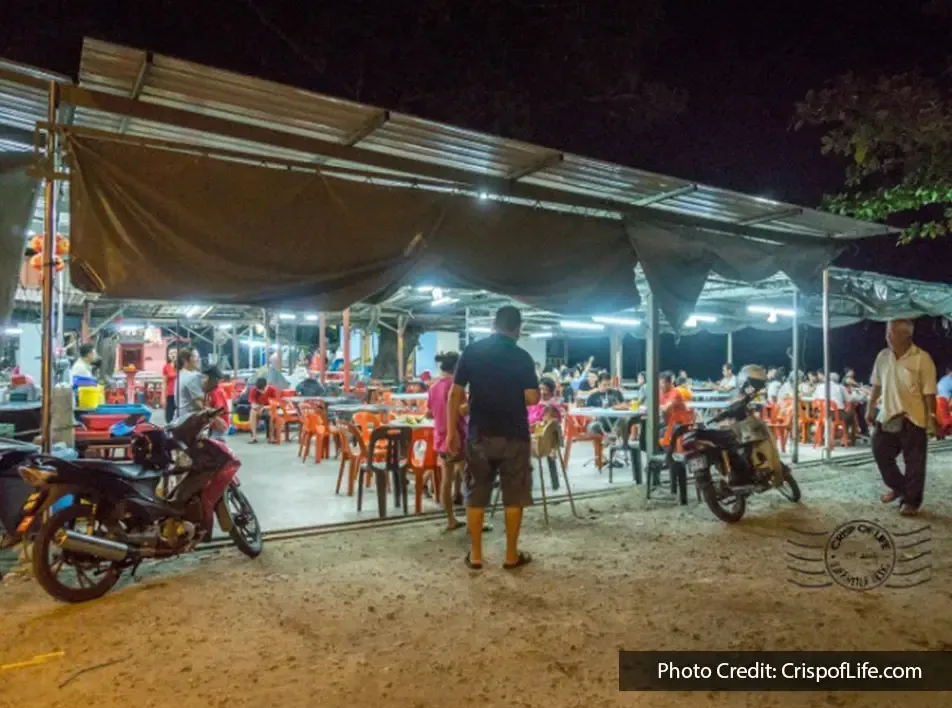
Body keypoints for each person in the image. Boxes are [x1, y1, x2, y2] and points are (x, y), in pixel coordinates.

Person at [447, 306, 539, 571]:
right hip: (515, 436)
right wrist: (510, 392)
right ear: (518, 329)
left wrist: (452, 432)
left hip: (479, 435)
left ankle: (475, 556)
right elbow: (533, 397)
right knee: (514, 495)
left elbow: (454, 395)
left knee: (476, 493)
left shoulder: (472, 352)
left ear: (492, 324)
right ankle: (511, 556)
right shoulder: (522, 357)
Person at [868, 319, 937, 517]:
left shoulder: (922, 358)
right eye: (888, 332)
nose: (888, 337)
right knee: (880, 452)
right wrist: (870, 408)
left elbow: (929, 392)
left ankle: (911, 502)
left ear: (906, 335)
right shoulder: (883, 356)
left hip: (913, 417)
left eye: (893, 332)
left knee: (914, 462)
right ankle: (899, 487)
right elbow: (876, 384)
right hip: (888, 415)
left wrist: (931, 417)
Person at [426, 352, 467, 532]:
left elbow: (429, 413)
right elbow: (462, 411)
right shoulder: (455, 387)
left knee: (446, 480)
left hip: (440, 438)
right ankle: (474, 522)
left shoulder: (434, 387)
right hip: (457, 437)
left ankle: (451, 519)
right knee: (469, 480)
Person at [585, 372, 626, 437]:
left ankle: (624, 444)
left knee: (624, 421)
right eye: (604, 385)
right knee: (592, 426)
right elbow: (587, 411)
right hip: (600, 421)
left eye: (609, 384)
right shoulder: (592, 396)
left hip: (616, 420)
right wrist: (593, 417)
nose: (607, 387)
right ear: (598, 383)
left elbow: (624, 405)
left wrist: (618, 406)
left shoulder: (616, 393)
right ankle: (604, 442)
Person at [174, 347, 205, 421]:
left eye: (198, 357)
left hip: (180, 418)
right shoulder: (192, 376)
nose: (198, 360)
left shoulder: (181, 373)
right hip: (190, 420)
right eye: (195, 357)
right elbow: (200, 402)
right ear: (185, 360)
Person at [247, 377, 279, 444]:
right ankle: (254, 437)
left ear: (266, 385)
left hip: (270, 408)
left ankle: (271, 436)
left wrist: (265, 407)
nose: (261, 391)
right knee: (252, 412)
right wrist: (256, 406)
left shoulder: (272, 389)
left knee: (272, 414)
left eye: (262, 390)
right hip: (259, 408)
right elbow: (252, 403)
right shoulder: (254, 390)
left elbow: (276, 404)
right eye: (259, 390)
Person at [202, 366, 230, 440]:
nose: (203, 381)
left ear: (213, 380)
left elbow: (218, 410)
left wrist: (205, 408)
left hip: (219, 427)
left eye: (205, 378)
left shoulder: (216, 392)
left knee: (216, 447)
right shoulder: (211, 391)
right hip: (214, 426)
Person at [162, 347, 177, 423]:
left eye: (174, 353)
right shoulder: (166, 367)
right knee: (169, 415)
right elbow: (164, 383)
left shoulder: (181, 367)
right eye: (170, 353)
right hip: (170, 394)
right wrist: (163, 397)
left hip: (179, 394)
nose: (173, 355)